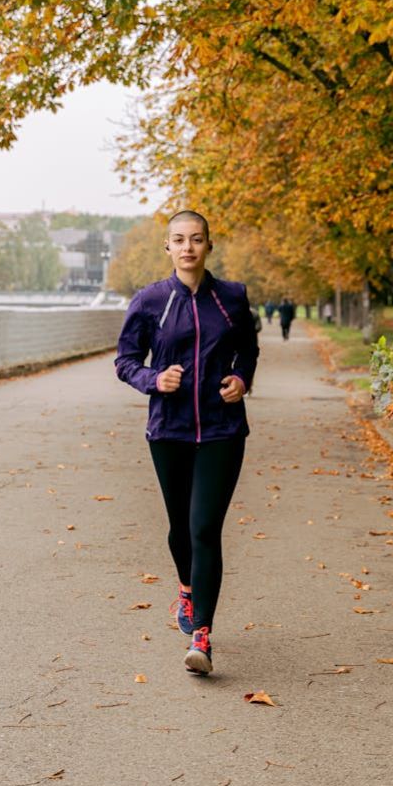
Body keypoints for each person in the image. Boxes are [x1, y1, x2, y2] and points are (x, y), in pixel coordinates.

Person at [114, 210, 259, 675]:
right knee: (179, 528)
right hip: (170, 431)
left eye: (196, 239)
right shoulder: (151, 301)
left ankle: (202, 635)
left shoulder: (231, 298)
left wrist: (241, 378)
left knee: (203, 528)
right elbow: (126, 360)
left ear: (208, 245)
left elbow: (248, 349)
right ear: (168, 247)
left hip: (222, 430)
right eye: (179, 240)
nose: (188, 248)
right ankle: (185, 586)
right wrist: (155, 380)